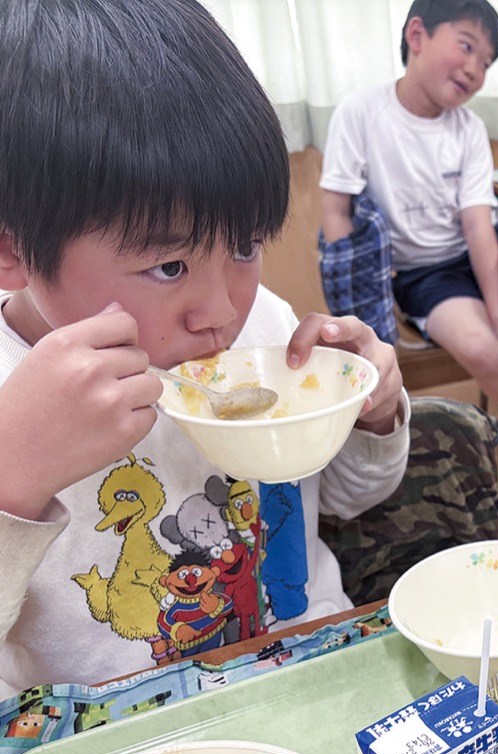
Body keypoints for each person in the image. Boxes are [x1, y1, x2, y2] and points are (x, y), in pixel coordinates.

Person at [0, 0, 411, 698]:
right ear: (13, 252)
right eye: (168, 267)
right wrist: (12, 480)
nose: (221, 313)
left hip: (304, 661)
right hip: (121, 743)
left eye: (246, 246)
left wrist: (371, 414)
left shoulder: (266, 330)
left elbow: (345, 497)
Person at [319, 0, 498, 442]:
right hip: (422, 273)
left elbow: (478, 224)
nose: (475, 70)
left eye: (485, 63)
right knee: (482, 349)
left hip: (480, 244)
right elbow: (336, 210)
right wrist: (357, 300)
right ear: (417, 35)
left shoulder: (469, 129)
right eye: (466, 47)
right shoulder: (361, 111)